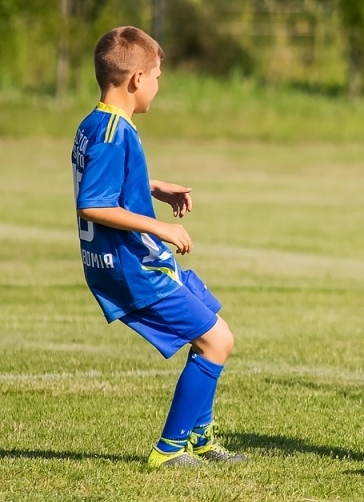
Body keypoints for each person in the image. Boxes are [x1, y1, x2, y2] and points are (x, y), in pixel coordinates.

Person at [71, 26, 246, 469]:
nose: (158, 86)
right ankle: (169, 451)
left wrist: (152, 188)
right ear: (136, 80)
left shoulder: (96, 124)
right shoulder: (115, 131)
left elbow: (108, 184)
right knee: (217, 340)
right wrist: (161, 228)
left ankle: (200, 439)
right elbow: (93, 204)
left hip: (134, 261)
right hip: (134, 266)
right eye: (158, 76)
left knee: (211, 325)